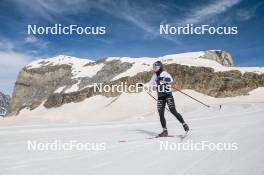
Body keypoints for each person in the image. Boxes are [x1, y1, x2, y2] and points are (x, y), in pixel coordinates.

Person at [146, 61, 189, 137]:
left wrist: (163, 80)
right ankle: (165, 131)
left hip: (168, 95)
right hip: (160, 97)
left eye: (155, 67)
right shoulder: (155, 75)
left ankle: (184, 124)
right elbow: (150, 84)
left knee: (173, 111)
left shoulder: (165, 73)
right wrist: (143, 85)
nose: (154, 69)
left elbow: (170, 80)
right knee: (161, 113)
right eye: (153, 67)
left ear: (159, 67)